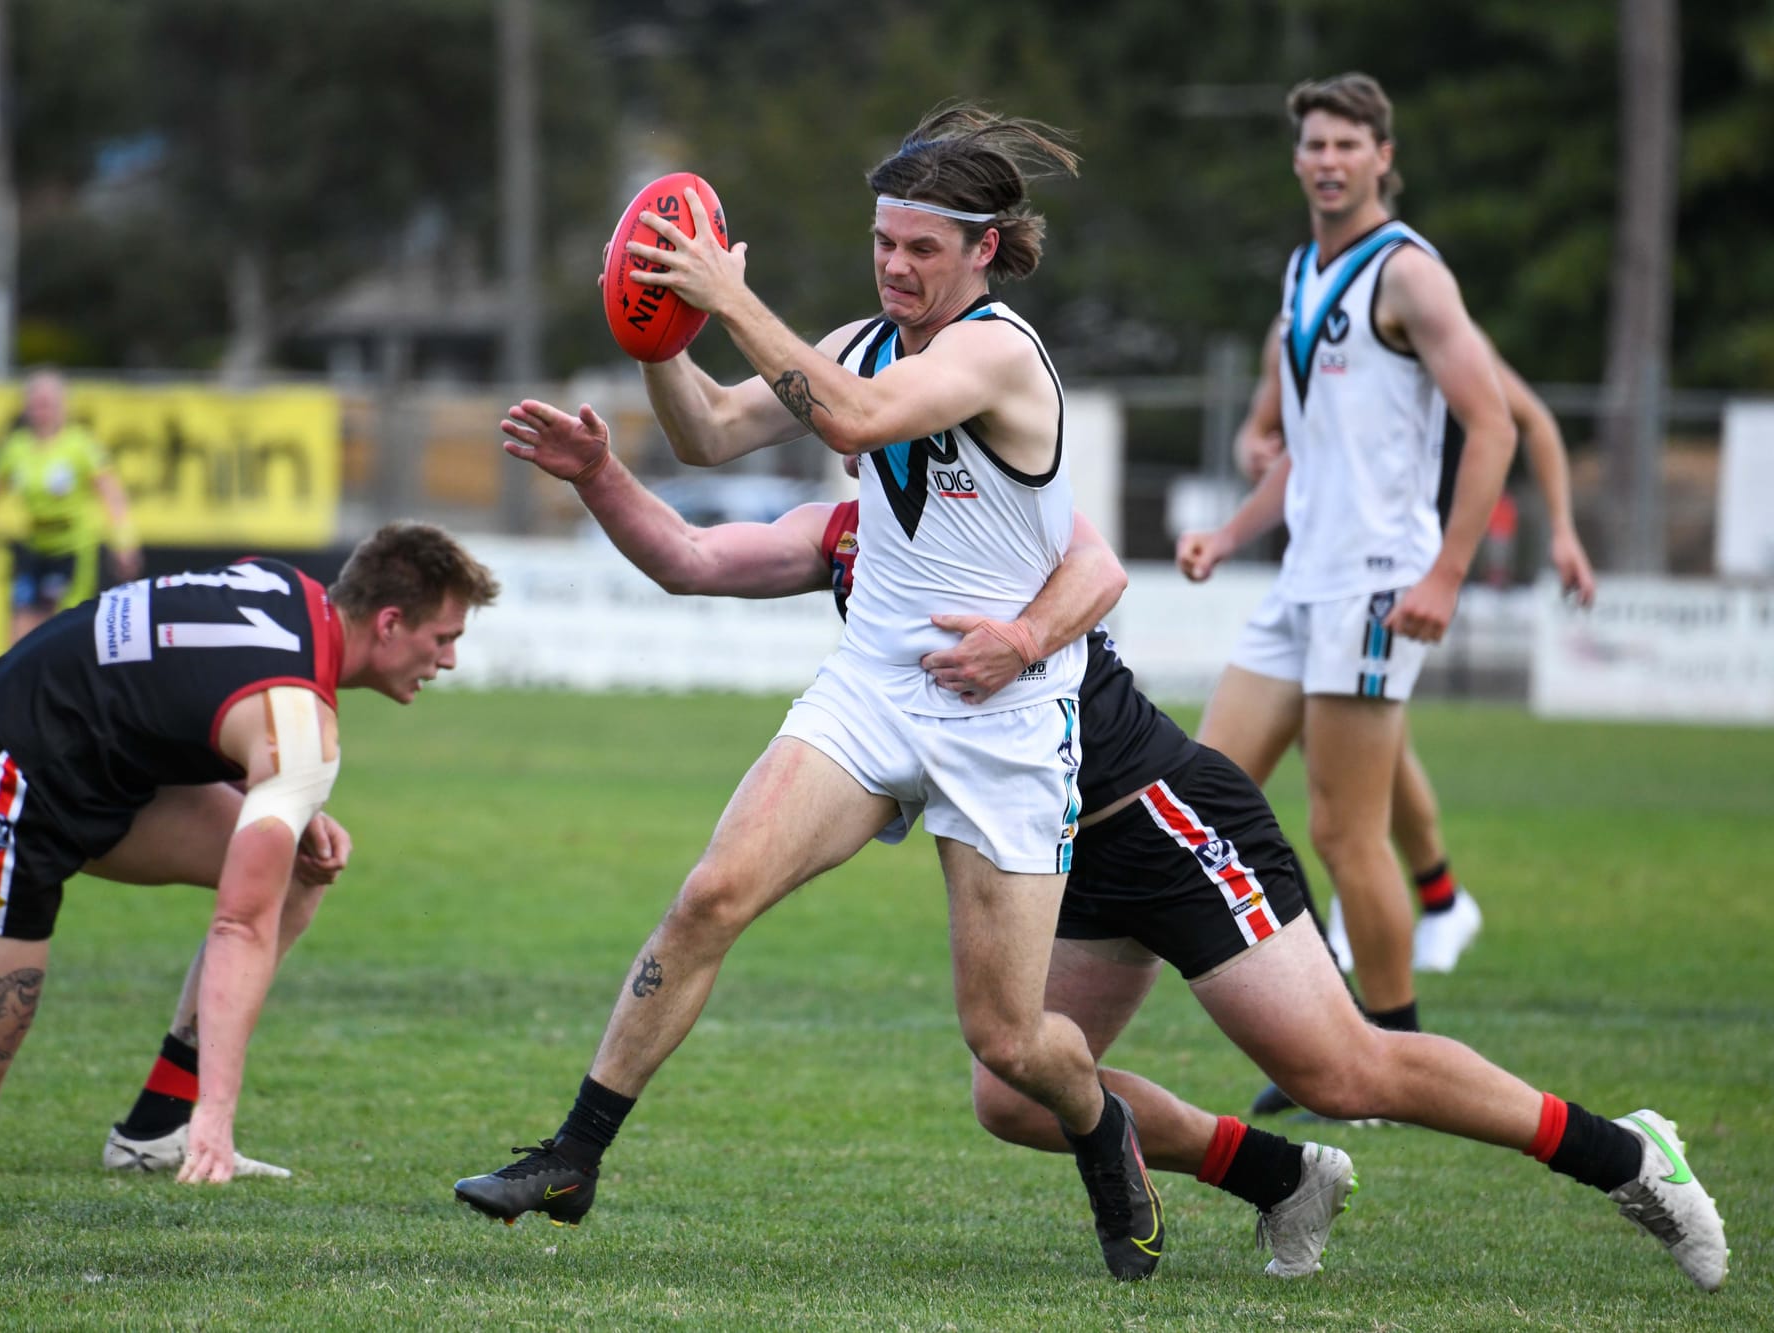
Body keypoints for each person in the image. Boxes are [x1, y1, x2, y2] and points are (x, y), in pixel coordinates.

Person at [500, 396, 1729, 1291]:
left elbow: (1094, 571)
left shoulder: (1006, 500)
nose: (853, 433)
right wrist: (598, 474)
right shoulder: (845, 536)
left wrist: (1023, 639)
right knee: (1017, 1090)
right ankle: (1275, 1177)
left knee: (1342, 1069)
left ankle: (1625, 1151)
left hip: (1158, 820)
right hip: (1042, 854)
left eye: (869, 415)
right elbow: (690, 554)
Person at [457, 107, 1171, 1282]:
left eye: (921, 249)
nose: (893, 265)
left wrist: (725, 295)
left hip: (1001, 716)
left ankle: (1102, 1132)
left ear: (984, 250)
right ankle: (572, 1154)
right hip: (872, 688)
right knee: (708, 896)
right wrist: (657, 326)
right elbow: (706, 435)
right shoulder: (867, 335)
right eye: (882, 242)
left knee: (1006, 1039)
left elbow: (848, 418)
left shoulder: (997, 353)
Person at [0, 522, 499, 1184]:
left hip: (80, 762)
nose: (451, 659)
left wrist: (277, 793)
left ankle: (155, 1130)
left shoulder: (282, 586)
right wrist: (219, 1111)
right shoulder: (301, 731)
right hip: (9, 778)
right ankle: (189, 1122)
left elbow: (168, 683)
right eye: (444, 637)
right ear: (390, 622)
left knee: (297, 871)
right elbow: (238, 925)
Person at [1174, 72, 1517, 1053]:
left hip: (1375, 580)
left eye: (1345, 146)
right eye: (1313, 145)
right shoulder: (1298, 273)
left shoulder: (1407, 274)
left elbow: (1488, 423)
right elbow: (1307, 450)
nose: (1327, 161)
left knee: (1339, 833)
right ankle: (1322, 1026)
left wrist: (1443, 573)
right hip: (1298, 581)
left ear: (1381, 159)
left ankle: (1393, 1051)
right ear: (1296, 160)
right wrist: (1230, 533)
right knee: (1203, 797)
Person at [1232, 333, 1599, 987]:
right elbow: (1266, 430)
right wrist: (1250, 455)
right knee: (1306, 777)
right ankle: (1437, 903)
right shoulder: (1299, 310)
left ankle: (1373, 1006)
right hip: (1305, 579)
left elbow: (1528, 420)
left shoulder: (1418, 312)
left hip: (1381, 581)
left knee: (1345, 811)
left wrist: (1563, 531)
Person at [0, 369, 143, 646]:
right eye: (35, 404)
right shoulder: (16, 449)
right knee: (20, 630)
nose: (41, 411)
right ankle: (22, 688)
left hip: (73, 549)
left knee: (59, 628)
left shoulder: (80, 446)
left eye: (47, 404)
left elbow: (112, 495)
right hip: (35, 547)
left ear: (63, 407)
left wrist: (123, 543)